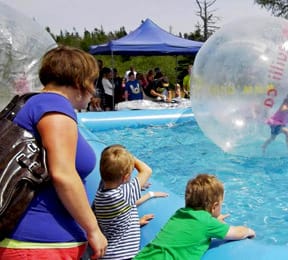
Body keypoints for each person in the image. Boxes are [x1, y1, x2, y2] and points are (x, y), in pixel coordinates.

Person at [0, 46, 108, 259]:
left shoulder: (33, 103)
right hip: (39, 244)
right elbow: (63, 174)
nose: (94, 91)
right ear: (81, 82)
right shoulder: (55, 105)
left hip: (33, 242)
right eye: (93, 82)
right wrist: (93, 229)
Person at [135, 173, 256, 260]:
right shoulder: (207, 223)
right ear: (214, 206)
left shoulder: (180, 213)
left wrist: (214, 222)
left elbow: (193, 227)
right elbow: (238, 233)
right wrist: (249, 231)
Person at [94, 145, 167, 259]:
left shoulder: (101, 192)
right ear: (126, 177)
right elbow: (147, 170)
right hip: (124, 256)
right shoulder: (124, 194)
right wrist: (130, 157)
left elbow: (114, 221)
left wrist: (135, 223)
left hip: (108, 255)